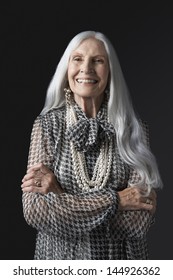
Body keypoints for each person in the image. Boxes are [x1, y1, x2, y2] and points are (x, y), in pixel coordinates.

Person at [21, 30, 163, 260]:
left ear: (109, 71)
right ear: (67, 68)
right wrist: (117, 201)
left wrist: (60, 196)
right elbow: (36, 212)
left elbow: (138, 223)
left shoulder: (134, 129)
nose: (86, 68)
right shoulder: (47, 126)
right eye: (78, 59)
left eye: (98, 61)